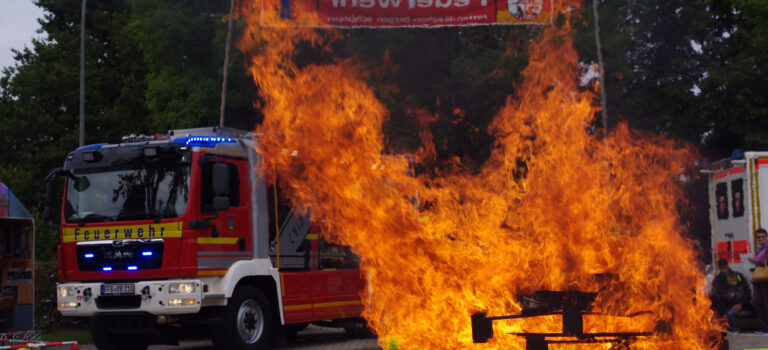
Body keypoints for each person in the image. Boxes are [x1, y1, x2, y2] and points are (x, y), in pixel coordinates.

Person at [711, 258, 751, 332]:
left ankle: (735, 330)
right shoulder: (718, 280)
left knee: (730, 313)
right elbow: (716, 295)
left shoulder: (737, 276)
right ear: (719, 268)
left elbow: (746, 291)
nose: (725, 270)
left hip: (740, 304)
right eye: (722, 268)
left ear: (728, 266)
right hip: (724, 307)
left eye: (726, 267)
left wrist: (741, 304)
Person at [748, 228, 768, 332]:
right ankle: (763, 327)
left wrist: (756, 260)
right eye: (758, 237)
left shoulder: (767, 248)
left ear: (766, 237)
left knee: (765, 303)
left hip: (765, 280)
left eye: (763, 236)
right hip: (757, 280)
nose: (761, 239)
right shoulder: (759, 249)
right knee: (757, 302)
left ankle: (766, 328)